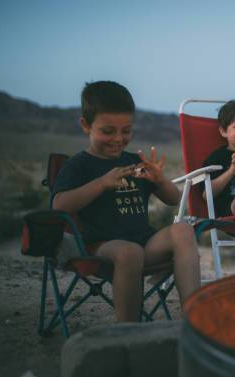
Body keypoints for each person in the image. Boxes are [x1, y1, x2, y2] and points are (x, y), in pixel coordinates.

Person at [52, 81, 200, 322]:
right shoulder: (78, 165)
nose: (118, 139)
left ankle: (196, 320)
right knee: (129, 252)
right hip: (100, 248)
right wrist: (101, 184)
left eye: (126, 131)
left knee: (183, 231)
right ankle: (128, 332)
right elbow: (59, 206)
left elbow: (173, 200)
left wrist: (160, 180)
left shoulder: (134, 162)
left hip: (144, 243)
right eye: (108, 131)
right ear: (85, 125)